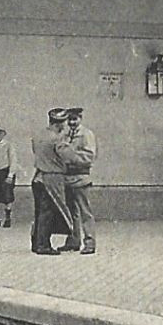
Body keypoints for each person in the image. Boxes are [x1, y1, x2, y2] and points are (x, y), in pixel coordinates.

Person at [56, 107, 99, 254]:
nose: (72, 122)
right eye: (70, 120)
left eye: (75, 119)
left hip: (80, 177)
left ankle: (90, 242)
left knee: (85, 211)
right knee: (70, 211)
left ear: (80, 119)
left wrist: (71, 156)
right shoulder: (65, 135)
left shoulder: (86, 135)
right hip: (67, 178)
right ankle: (73, 240)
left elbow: (89, 156)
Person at [29, 108, 70, 255]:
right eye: (64, 123)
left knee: (39, 212)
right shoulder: (58, 139)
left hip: (38, 176)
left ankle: (35, 242)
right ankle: (43, 245)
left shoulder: (38, 135)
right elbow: (66, 156)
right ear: (59, 124)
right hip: (51, 178)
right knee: (48, 213)